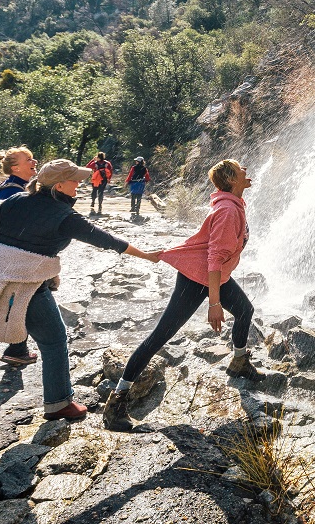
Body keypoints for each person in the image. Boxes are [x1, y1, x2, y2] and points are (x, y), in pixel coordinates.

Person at [0, 159, 162, 437]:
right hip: (25, 285)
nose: (79, 185)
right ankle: (58, 404)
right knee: (53, 339)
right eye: (74, 180)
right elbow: (106, 240)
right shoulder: (64, 215)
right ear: (59, 185)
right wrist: (147, 255)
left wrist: (12, 243)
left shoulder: (15, 199)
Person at [103, 159, 261, 432]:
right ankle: (116, 401)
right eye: (240, 169)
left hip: (214, 276)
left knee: (245, 310)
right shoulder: (227, 211)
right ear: (232, 180)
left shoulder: (232, 205)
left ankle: (238, 361)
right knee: (160, 336)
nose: (246, 170)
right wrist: (214, 303)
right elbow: (214, 257)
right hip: (197, 278)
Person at [0, 146, 41, 367]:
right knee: (20, 301)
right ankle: (16, 349)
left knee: (8, 301)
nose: (34, 161)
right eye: (28, 159)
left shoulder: (14, 188)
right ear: (15, 167)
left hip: (5, 259)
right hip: (10, 260)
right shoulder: (14, 192)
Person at [86, 151, 113, 216]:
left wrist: (93, 159)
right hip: (104, 180)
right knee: (101, 192)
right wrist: (109, 178)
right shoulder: (107, 163)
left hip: (96, 179)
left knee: (94, 190)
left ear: (98, 157)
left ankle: (93, 202)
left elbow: (87, 166)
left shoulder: (95, 163)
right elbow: (110, 170)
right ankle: (100, 205)